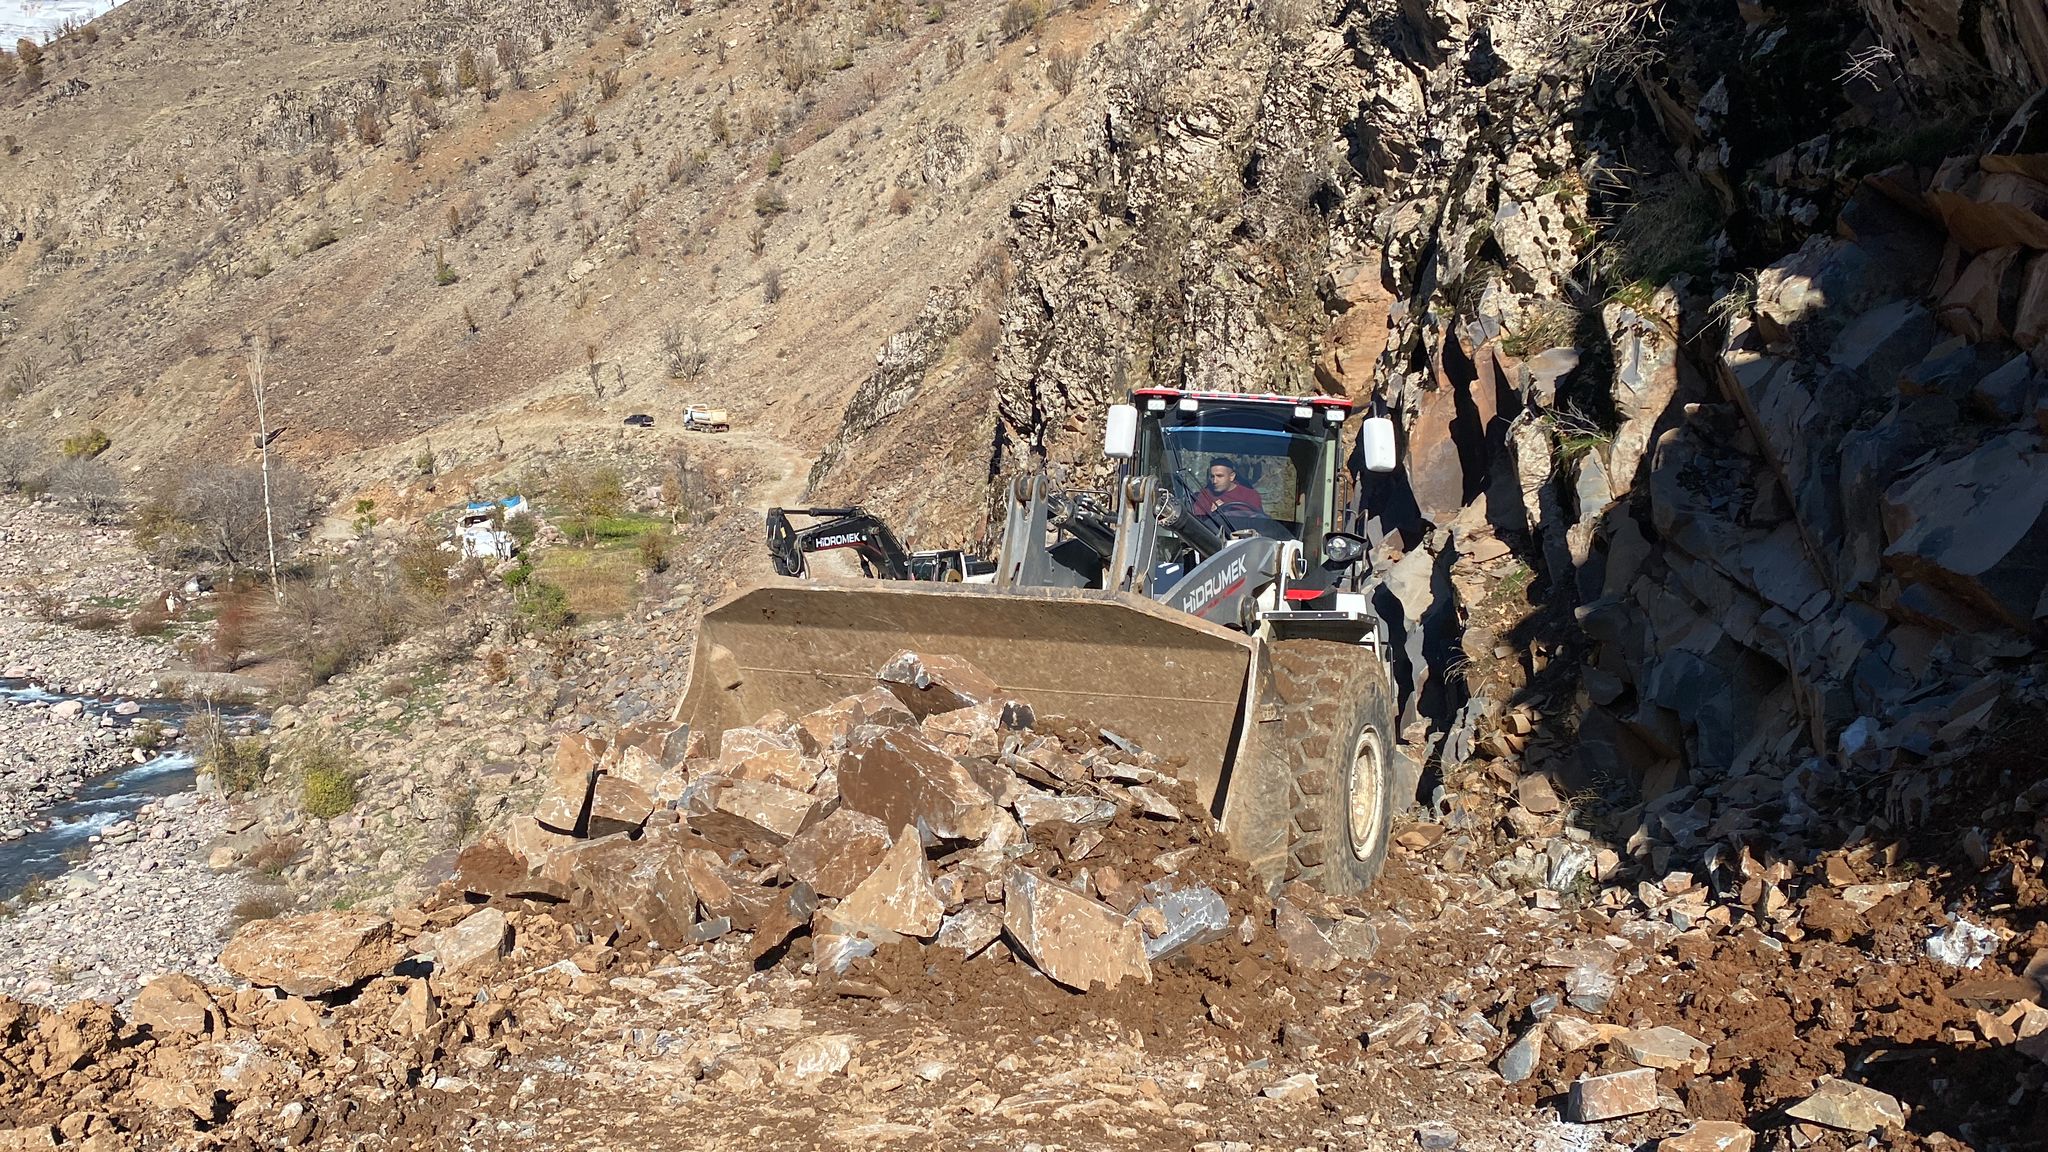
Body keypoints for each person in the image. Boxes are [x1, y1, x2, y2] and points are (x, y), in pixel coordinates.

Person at [1192, 457, 1264, 517]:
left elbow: (1257, 520)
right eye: (1212, 476)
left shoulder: (1250, 495)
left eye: (1219, 476)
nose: (1214, 481)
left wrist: (1226, 511)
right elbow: (1198, 521)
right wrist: (1212, 514)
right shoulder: (1205, 495)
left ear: (1231, 476)